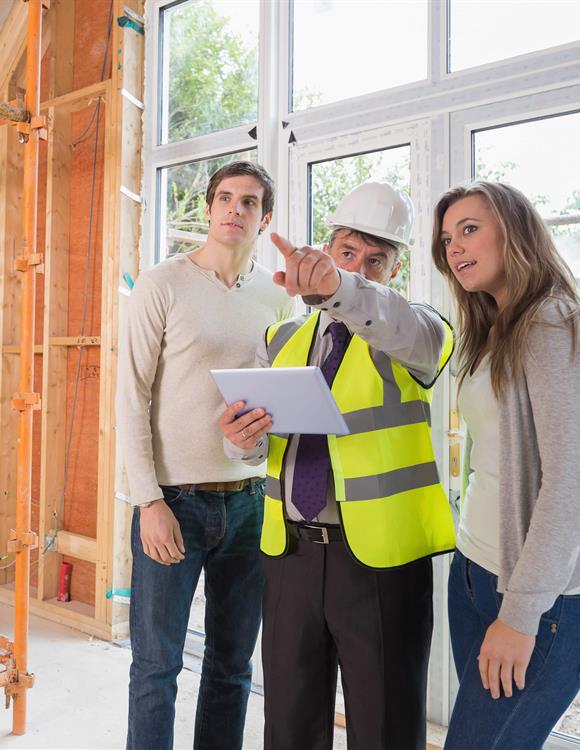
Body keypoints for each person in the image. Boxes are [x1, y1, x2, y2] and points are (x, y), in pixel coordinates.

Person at [220, 181, 456, 750]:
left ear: (394, 271)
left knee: (384, 727)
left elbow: (396, 322)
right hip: (291, 556)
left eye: (378, 261)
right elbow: (259, 450)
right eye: (348, 255)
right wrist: (238, 442)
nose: (361, 269)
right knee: (290, 726)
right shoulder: (278, 341)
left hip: (379, 564)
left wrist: (340, 289)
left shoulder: (418, 333)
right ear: (326, 250)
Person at [116, 161, 294, 750]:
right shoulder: (162, 283)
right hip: (174, 502)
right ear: (208, 208)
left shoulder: (276, 297)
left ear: (265, 218)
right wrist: (147, 500)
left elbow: (276, 402)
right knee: (156, 668)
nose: (234, 210)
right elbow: (131, 395)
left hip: (249, 503)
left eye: (248, 202)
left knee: (232, 666)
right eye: (224, 197)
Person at [431, 181, 580, 750]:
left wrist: (523, 613)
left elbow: (575, 484)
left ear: (516, 231)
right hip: (477, 572)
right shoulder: (493, 328)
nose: (455, 247)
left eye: (470, 229)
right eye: (447, 238)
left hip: (541, 602)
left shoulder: (553, 323)